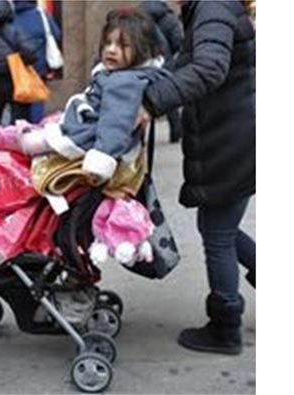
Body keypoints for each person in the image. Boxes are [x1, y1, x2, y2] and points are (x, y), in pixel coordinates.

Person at [139, 0, 255, 355]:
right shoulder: (210, 8)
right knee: (218, 226)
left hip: (233, 139)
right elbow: (187, 63)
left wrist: (151, 103)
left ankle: (225, 328)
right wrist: (145, 81)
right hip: (234, 136)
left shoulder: (213, 7)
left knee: (218, 235)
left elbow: (208, 69)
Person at [0, 7, 167, 188]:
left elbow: (115, 125)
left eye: (122, 45)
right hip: (86, 125)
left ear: (141, 49)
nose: (111, 49)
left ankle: (5, 139)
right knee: (48, 125)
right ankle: (10, 134)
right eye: (108, 43)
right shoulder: (120, 75)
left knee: (40, 140)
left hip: (88, 137)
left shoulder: (123, 82)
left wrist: (100, 161)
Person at [138, 0, 185, 143]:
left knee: (141, 98)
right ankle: (176, 132)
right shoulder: (169, 18)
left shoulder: (139, 16)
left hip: (145, 62)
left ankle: (140, 137)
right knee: (168, 97)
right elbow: (177, 41)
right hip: (165, 61)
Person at [13, 0, 63, 124]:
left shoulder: (11, 17)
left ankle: (18, 131)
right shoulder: (41, 15)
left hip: (17, 68)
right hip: (39, 66)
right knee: (37, 102)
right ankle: (35, 130)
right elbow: (56, 34)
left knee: (18, 103)